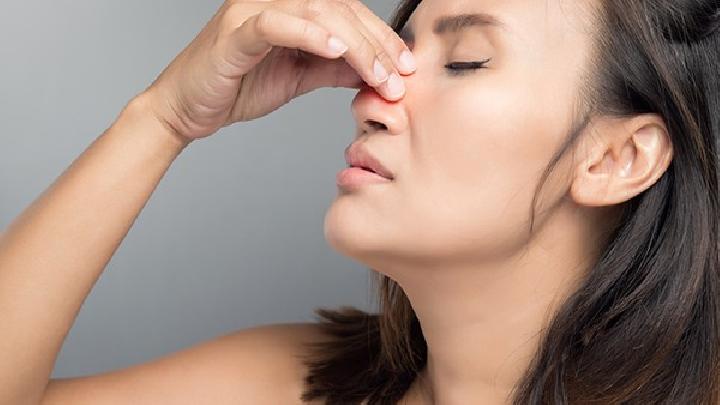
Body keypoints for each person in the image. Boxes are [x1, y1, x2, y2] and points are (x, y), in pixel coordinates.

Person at [0, 0, 718, 403]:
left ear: (618, 158)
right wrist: (163, 118)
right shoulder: (297, 385)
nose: (373, 98)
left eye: (465, 61)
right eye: (393, 54)